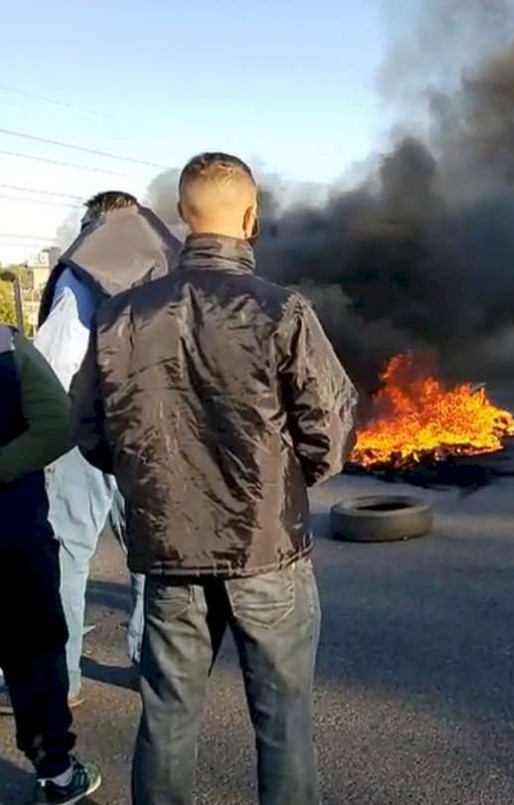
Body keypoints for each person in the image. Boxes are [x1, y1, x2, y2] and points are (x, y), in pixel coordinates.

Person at [71, 152, 357, 805]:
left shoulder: (121, 316)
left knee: (168, 718)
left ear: (181, 217)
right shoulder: (282, 311)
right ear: (251, 219)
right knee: (283, 724)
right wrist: (280, 486)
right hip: (268, 553)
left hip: (168, 553)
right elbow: (332, 431)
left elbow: (89, 427)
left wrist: (153, 481)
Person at [33, 191, 180, 705]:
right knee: (150, 554)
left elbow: (56, 363)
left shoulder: (84, 273)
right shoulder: (172, 267)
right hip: (153, 433)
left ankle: (62, 678)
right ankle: (151, 665)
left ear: (94, 223)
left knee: (68, 553)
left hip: (87, 431)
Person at [0, 325, 102, 804]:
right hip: (12, 536)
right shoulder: (6, 346)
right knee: (34, 657)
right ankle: (57, 775)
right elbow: (59, 426)